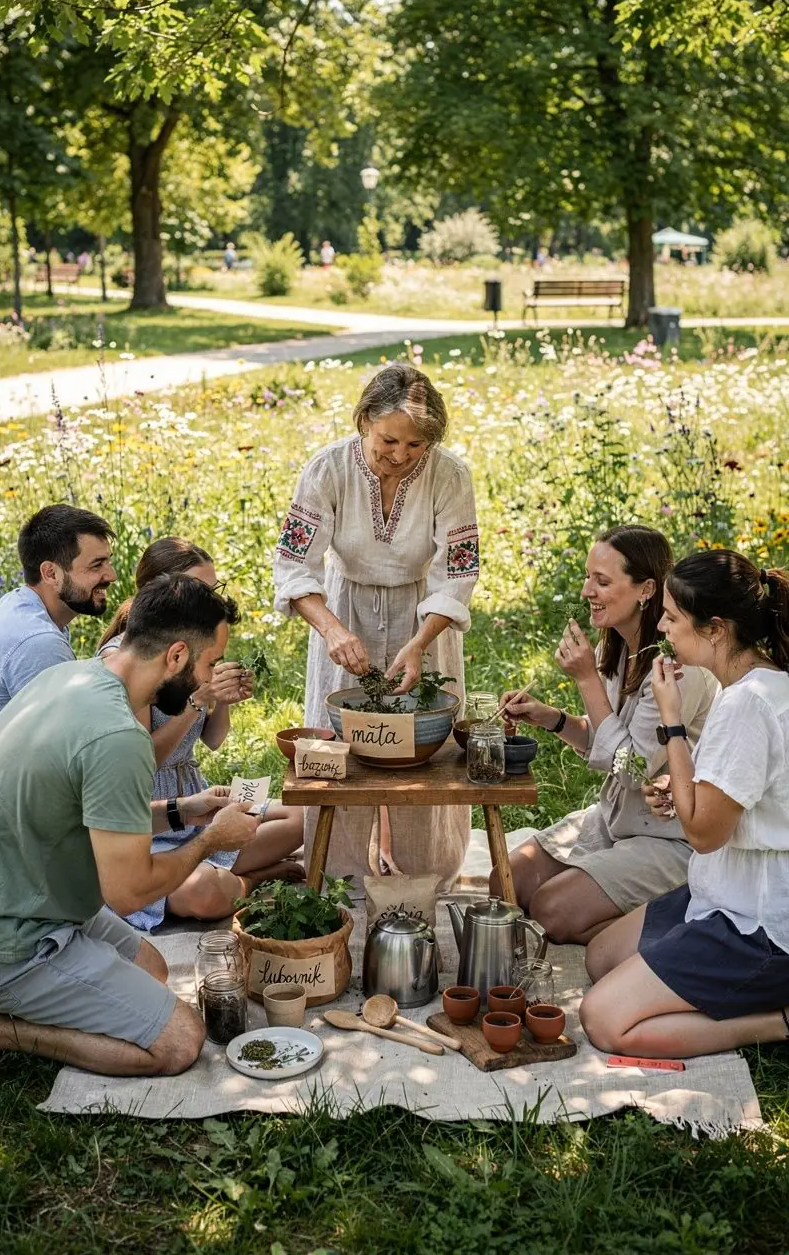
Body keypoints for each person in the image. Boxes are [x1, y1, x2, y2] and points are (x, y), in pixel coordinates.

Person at [0, 575, 259, 1076]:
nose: (207, 681)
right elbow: (129, 893)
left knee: (154, 969)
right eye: (208, 665)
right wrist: (212, 840)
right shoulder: (118, 736)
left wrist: (182, 810)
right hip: (3, 937)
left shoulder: (70, 675)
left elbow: (87, 810)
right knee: (179, 1041)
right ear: (175, 657)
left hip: (32, 892)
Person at [274, 362, 479, 885]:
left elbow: (456, 573)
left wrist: (419, 644)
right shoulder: (326, 470)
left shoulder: (451, 475)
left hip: (423, 613)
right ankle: (341, 873)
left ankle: (425, 872)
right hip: (344, 606)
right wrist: (333, 630)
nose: (401, 456)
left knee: (424, 743)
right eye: (389, 440)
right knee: (342, 750)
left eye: (416, 447)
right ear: (363, 419)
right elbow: (295, 566)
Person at [581, 551, 789, 1059]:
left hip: (760, 923)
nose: (664, 627)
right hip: (721, 888)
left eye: (672, 617)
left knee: (603, 1020)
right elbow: (736, 791)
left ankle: (778, 1021)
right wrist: (682, 787)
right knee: (601, 956)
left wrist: (671, 722)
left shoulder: (747, 705)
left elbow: (703, 834)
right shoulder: (750, 682)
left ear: (715, 628)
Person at [492, 526, 717, 943]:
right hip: (617, 820)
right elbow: (604, 738)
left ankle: (678, 925)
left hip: (666, 836)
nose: (585, 591)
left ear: (645, 589)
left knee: (550, 912)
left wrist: (586, 681)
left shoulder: (677, 668)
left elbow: (631, 768)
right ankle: (611, 911)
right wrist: (551, 718)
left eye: (602, 581)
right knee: (506, 882)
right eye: (586, 577)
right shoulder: (615, 646)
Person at [99, 538, 304, 927]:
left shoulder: (194, 645)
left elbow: (212, 740)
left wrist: (222, 699)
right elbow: (146, 760)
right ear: (162, 592)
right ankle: (251, 881)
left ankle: (227, 876)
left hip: (194, 799)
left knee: (303, 817)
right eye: (203, 591)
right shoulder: (129, 661)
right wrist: (199, 697)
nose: (214, 603)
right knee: (202, 891)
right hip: (149, 819)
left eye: (215, 590)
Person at [0, 504, 116, 755]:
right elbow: (72, 750)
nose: (111, 575)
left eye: (108, 562)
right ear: (50, 573)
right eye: (96, 565)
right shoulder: (37, 641)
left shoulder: (18, 606)